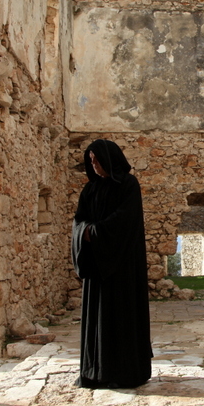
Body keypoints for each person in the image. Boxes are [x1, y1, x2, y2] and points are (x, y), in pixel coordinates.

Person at [71, 139, 152, 389]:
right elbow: (79, 221)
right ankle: (96, 372)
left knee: (122, 317)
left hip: (122, 265)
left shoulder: (128, 185)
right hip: (98, 265)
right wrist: (85, 232)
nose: (94, 165)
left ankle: (126, 373)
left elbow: (125, 220)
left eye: (97, 160)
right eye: (91, 161)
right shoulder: (90, 190)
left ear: (109, 159)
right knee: (98, 319)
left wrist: (94, 232)